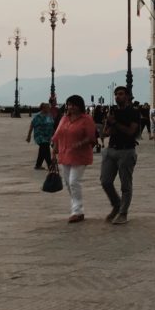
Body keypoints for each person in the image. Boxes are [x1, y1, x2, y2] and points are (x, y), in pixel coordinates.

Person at [51, 94, 97, 223]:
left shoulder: (86, 119)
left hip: (80, 155)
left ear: (79, 106)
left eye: (73, 105)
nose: (70, 107)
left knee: (74, 181)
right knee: (68, 182)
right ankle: (76, 207)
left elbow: (91, 137)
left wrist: (80, 143)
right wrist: (54, 149)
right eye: (68, 104)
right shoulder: (64, 118)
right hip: (65, 153)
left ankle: (77, 211)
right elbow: (58, 134)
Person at [100, 85, 140, 225]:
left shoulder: (134, 112)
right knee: (105, 181)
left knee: (125, 184)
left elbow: (131, 132)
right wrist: (108, 124)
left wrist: (115, 123)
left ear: (128, 96)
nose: (118, 96)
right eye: (116, 94)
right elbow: (106, 133)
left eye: (121, 94)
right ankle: (116, 204)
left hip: (126, 150)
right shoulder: (113, 112)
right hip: (111, 149)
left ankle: (123, 212)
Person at [26, 102, 56, 170]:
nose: (49, 108)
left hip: (48, 136)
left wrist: (55, 135)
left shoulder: (49, 115)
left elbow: (52, 126)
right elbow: (32, 126)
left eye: (49, 107)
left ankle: (38, 165)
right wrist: (29, 136)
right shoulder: (37, 116)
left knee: (43, 150)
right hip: (39, 135)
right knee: (45, 148)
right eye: (47, 107)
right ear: (43, 108)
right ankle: (50, 165)